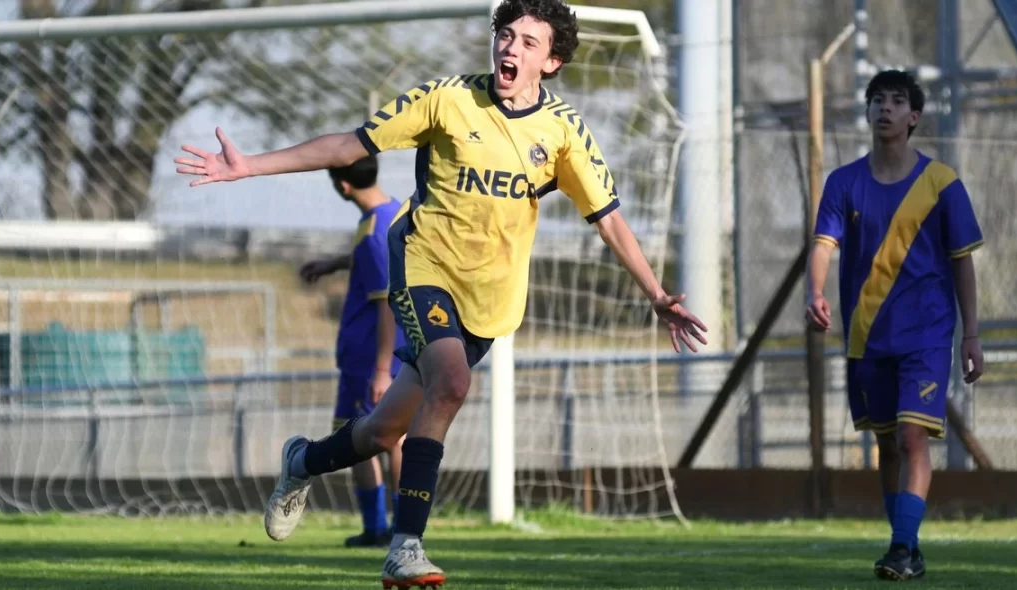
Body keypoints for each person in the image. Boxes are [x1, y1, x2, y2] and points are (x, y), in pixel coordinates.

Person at [173, 0, 708, 586]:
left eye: (529, 42)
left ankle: (302, 460)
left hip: (490, 301)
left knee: (383, 431)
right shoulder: (446, 98)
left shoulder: (563, 131)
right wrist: (249, 166)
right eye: (506, 35)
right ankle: (405, 546)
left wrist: (656, 293)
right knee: (452, 382)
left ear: (551, 62)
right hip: (422, 264)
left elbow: (610, 221)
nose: (511, 48)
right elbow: (351, 146)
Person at [805, 69, 984, 582]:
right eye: (877, 99)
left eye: (897, 100)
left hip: (927, 334)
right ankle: (906, 545)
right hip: (866, 335)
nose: (885, 107)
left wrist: (971, 335)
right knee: (886, 444)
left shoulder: (942, 183)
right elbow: (823, 245)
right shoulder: (843, 183)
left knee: (912, 437)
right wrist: (815, 292)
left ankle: (902, 547)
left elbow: (962, 261)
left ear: (914, 117)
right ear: (868, 112)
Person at [298, 155, 406, 547]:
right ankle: (383, 528)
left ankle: (396, 528)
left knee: (380, 438)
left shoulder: (375, 231)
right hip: (374, 355)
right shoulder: (391, 212)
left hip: (371, 356)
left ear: (342, 185)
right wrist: (336, 263)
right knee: (365, 434)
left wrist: (381, 370)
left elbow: (386, 302)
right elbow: (374, 260)